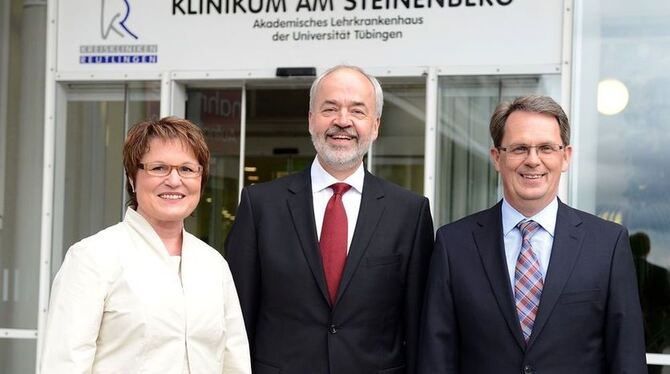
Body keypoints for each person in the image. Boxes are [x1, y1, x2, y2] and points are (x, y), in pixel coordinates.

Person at [225, 65, 434, 374]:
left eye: (358, 111)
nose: (342, 121)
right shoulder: (260, 206)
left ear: (375, 126)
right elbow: (236, 316)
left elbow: (418, 326)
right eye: (330, 108)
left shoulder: (410, 213)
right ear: (311, 119)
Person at [418, 95, 647, 373]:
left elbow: (627, 356)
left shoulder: (608, 244)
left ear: (565, 157)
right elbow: (436, 355)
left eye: (546, 148)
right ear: (496, 158)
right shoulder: (453, 244)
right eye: (519, 148)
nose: (533, 160)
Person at [40, 117, 251, 374]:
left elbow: (234, 362)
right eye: (159, 168)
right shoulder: (93, 257)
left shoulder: (214, 265)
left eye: (187, 169)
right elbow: (64, 365)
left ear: (201, 179)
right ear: (131, 178)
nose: (174, 181)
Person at [630, 232, 670, 374]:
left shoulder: (619, 272)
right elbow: (666, 304)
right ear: (648, 249)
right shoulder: (659, 273)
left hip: (627, 334)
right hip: (654, 336)